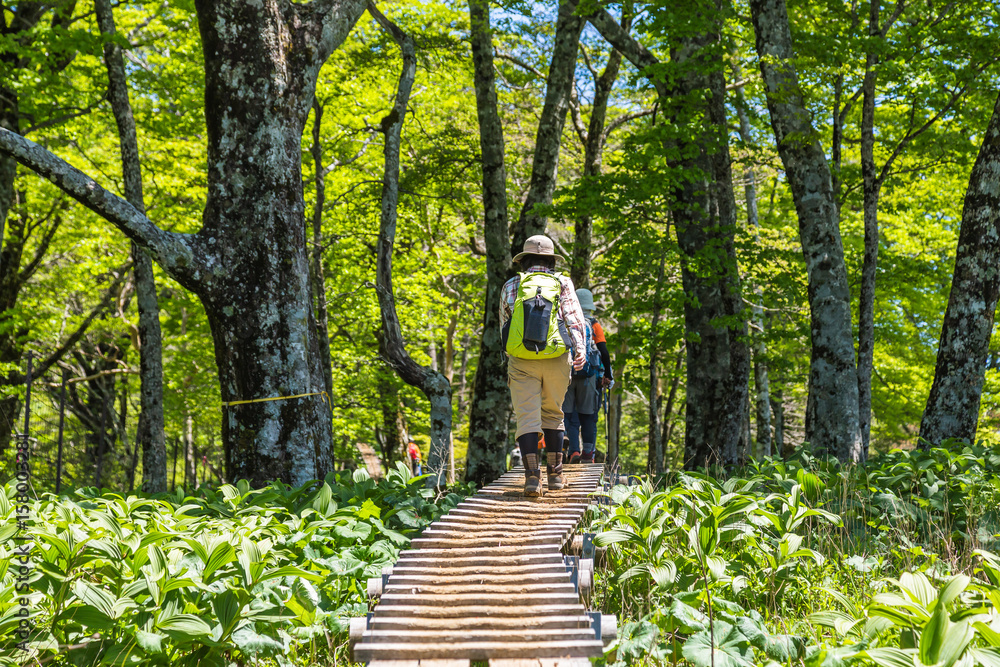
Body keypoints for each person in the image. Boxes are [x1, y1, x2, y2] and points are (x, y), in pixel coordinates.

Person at [500, 235, 587, 497]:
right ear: (551, 261)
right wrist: (580, 350)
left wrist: (508, 357)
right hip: (556, 357)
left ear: (524, 260)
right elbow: (573, 318)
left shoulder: (511, 284)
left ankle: (532, 478)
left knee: (527, 417)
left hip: (521, 358)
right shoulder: (562, 282)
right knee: (553, 412)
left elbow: (504, 325)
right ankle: (556, 475)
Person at [563, 288, 614, 464]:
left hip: (567, 375)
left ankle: (573, 450)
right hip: (588, 377)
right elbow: (604, 352)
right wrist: (608, 375)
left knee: (568, 415)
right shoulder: (593, 325)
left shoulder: (565, 321)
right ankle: (587, 453)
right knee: (588, 415)